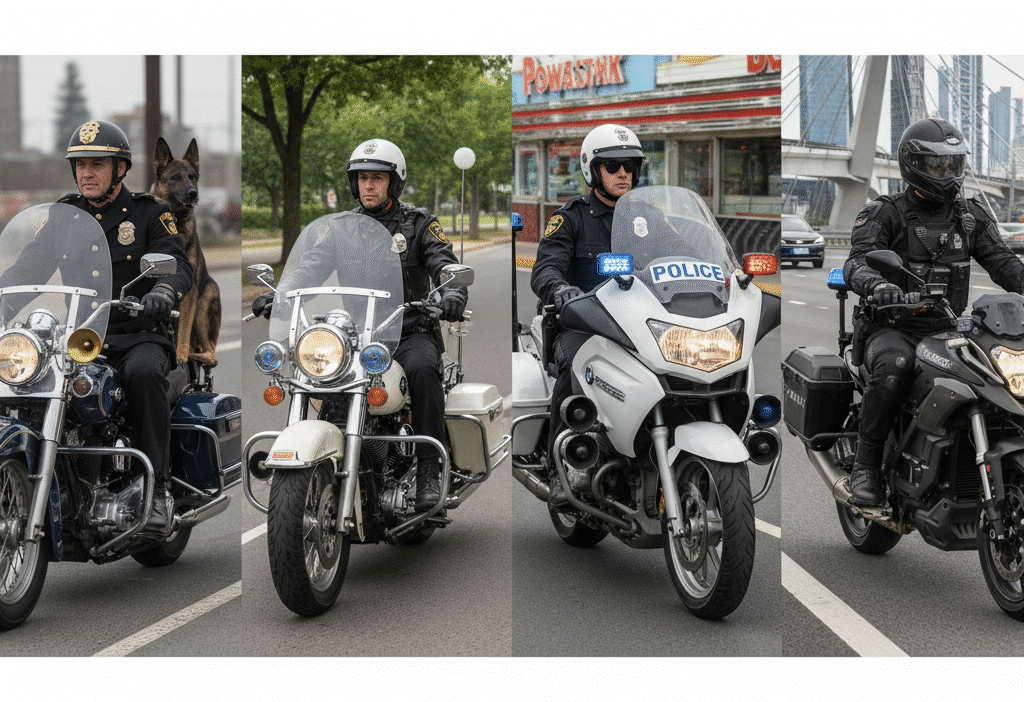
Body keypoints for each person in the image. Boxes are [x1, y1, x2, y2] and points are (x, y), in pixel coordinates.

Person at [253, 138, 466, 512]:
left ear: (394, 183)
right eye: (363, 178)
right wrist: (281, 293)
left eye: (377, 178)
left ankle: (429, 469)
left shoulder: (419, 224)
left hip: (409, 330)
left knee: (423, 369)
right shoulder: (340, 229)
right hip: (356, 335)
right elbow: (311, 267)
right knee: (318, 372)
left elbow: (444, 263)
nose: (369, 185)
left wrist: (452, 293)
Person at [843, 117, 1024, 506]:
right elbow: (856, 261)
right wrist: (879, 286)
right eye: (938, 165)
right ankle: (865, 465)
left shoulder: (970, 216)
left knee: (999, 376)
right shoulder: (886, 212)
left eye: (953, 164)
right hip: (893, 328)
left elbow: (1004, 263)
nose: (947, 173)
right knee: (894, 368)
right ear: (914, 164)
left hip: (950, 329)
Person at [60, 120, 194, 534]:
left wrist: (164, 291)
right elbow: (29, 263)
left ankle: (157, 490)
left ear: (120, 169)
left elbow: (179, 264)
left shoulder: (149, 213)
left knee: (143, 375)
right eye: (81, 165)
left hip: (138, 336)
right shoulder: (64, 215)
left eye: (97, 164)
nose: (87, 173)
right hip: (82, 339)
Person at [530, 123, 646, 507]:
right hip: (585, 324)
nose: (623, 173)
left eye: (630, 166)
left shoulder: (648, 218)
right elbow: (545, 268)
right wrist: (560, 289)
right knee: (574, 366)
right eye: (613, 166)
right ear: (593, 170)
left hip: (640, 325)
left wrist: (718, 275)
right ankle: (561, 468)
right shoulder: (572, 218)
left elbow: (685, 253)